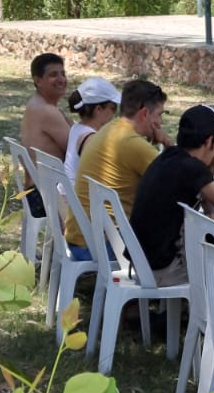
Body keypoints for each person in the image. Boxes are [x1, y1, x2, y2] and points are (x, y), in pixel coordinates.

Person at [65, 78, 168, 259]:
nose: (160, 122)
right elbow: (178, 184)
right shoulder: (132, 144)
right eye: (159, 115)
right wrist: (168, 144)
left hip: (80, 239)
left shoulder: (110, 128)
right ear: (144, 113)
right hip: (99, 247)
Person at [130, 106, 214, 285]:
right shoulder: (192, 169)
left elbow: (212, 209)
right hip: (162, 270)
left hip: (140, 262)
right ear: (209, 140)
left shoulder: (170, 156)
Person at [20, 52, 70, 215]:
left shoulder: (37, 104)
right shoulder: (47, 111)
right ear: (38, 80)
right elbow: (78, 150)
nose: (61, 79)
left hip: (35, 191)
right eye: (53, 75)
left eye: (63, 73)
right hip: (44, 195)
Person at [64, 77, 121, 183]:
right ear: (98, 109)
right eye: (113, 108)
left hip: (64, 195)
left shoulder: (76, 128)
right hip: (74, 198)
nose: (114, 113)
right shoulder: (91, 139)